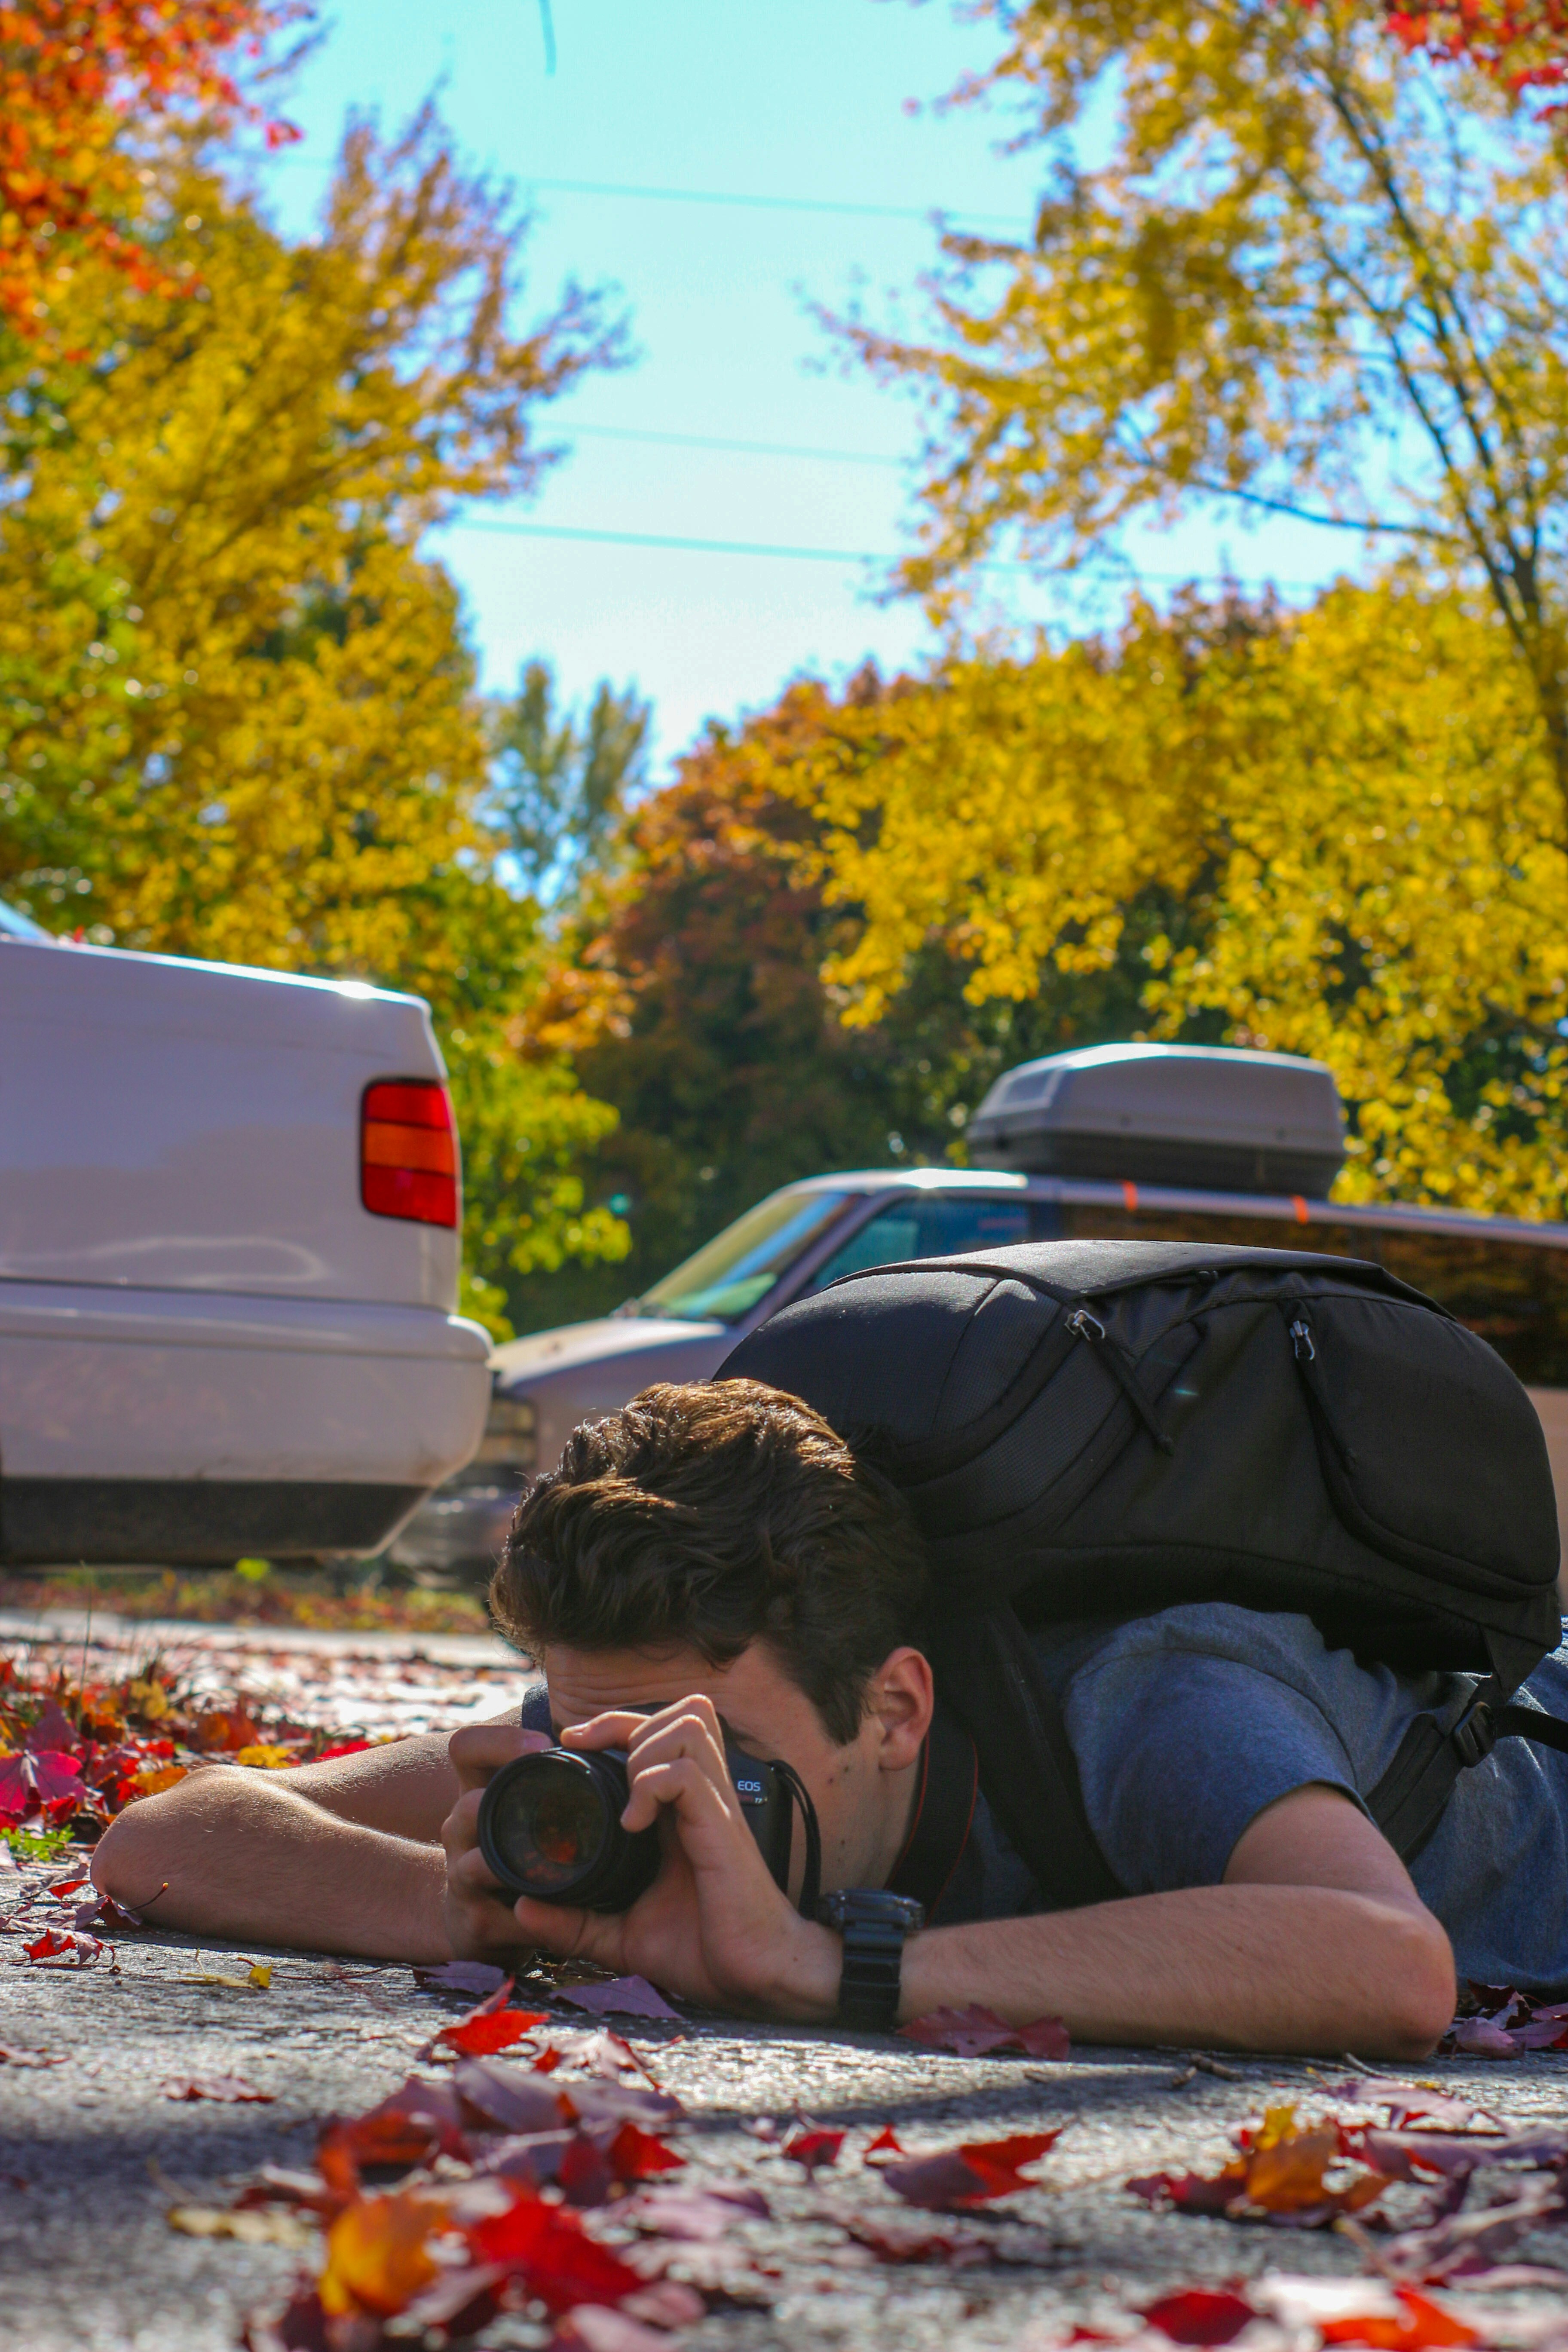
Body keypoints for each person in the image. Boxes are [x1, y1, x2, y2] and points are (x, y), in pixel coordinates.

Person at [95, 1379, 1568, 2057]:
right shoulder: (630, 1717)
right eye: (626, 1752)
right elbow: (168, 1839)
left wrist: (825, 1968)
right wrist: (470, 1903)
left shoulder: (1153, 1699)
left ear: (897, 1709)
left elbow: (1386, 1964)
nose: (667, 1804)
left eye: (723, 1763)